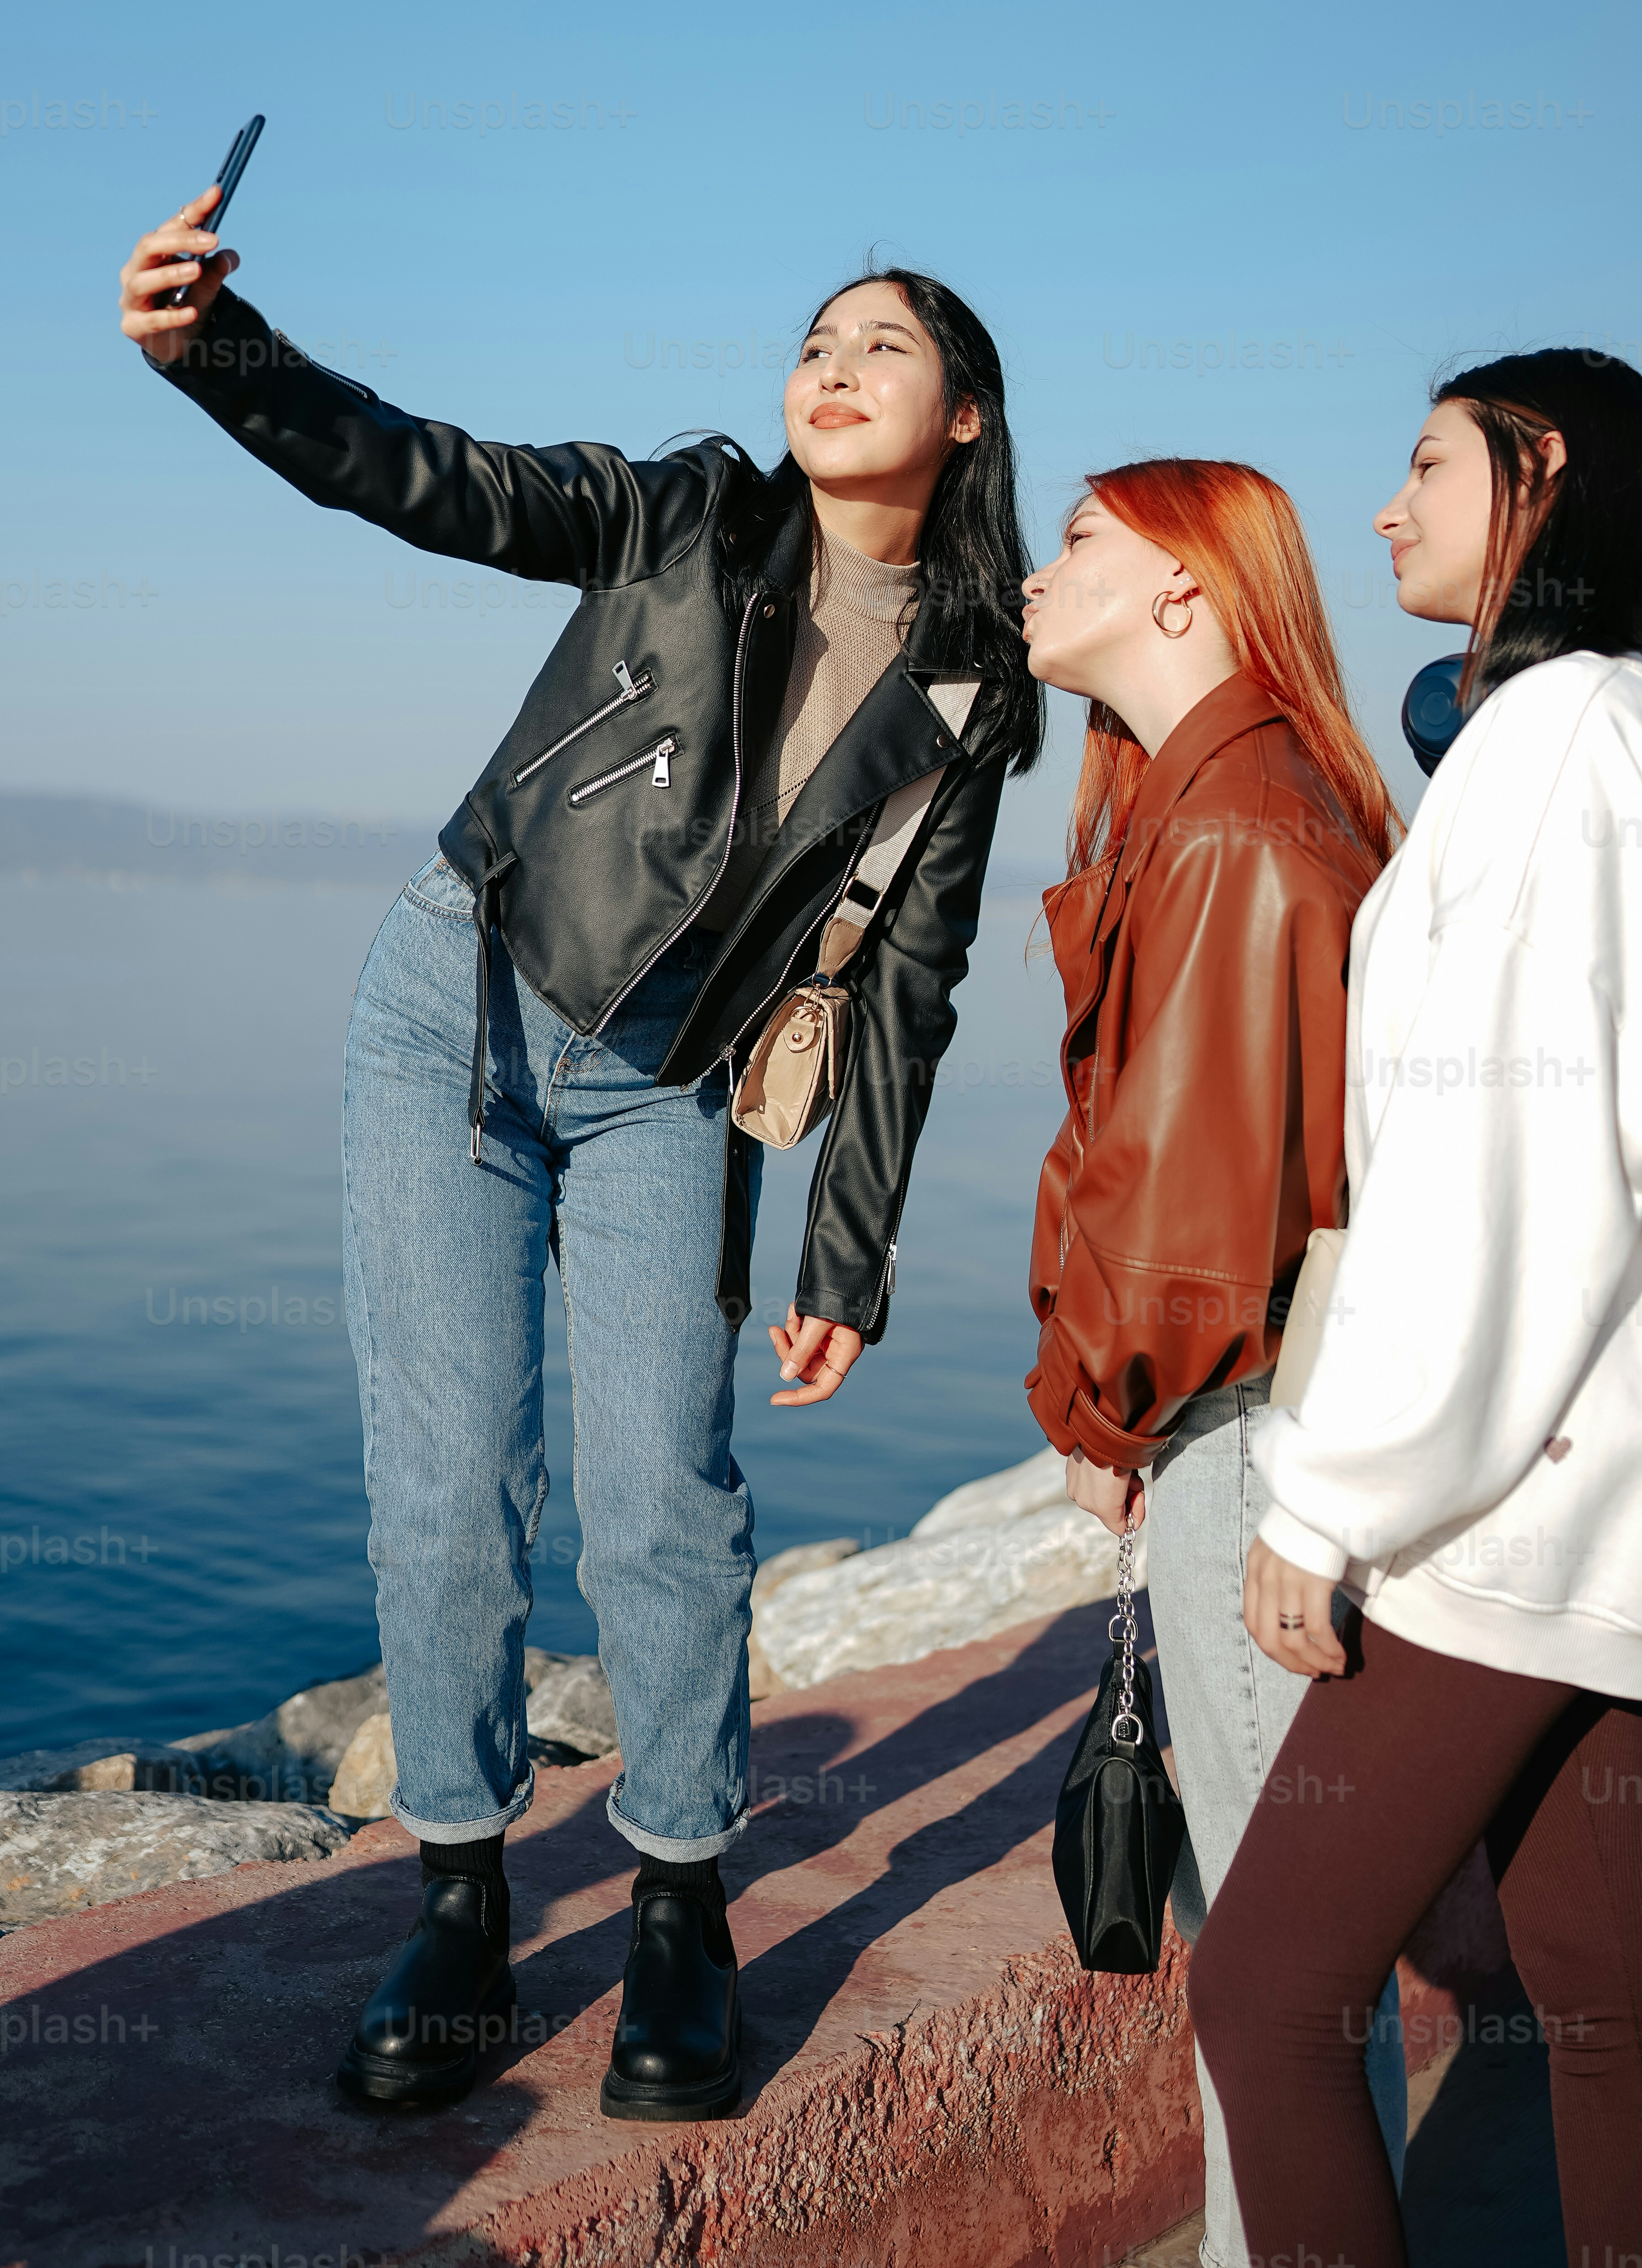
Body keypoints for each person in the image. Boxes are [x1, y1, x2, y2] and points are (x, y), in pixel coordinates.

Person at [118, 195, 1041, 2116]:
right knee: (451, 1483)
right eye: (815, 337)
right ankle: (458, 1897)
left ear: (966, 414)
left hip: (668, 1084)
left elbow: (916, 983)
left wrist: (845, 1261)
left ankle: (680, 1913)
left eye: (883, 343)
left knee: (663, 1505)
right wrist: (221, 352)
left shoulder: (970, 685)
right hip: (454, 1012)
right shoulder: (686, 514)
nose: (833, 364)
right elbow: (427, 478)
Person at [1194, 351, 1642, 2268]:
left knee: (1265, 1995)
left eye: (1425, 464)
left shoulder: (1549, 745)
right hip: (1633, 1450)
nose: (1385, 505)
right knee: (1596, 1976)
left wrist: (1334, 1495)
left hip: (1518, 1469)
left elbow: (1513, 1170)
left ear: (1539, 476)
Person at [1019, 457, 1408, 2267]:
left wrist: (1099, 1406)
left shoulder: (1233, 828)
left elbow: (1193, 1207)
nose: (1042, 566)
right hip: (1262, 1407)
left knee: (1267, 1966)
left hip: (1244, 1422)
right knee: (1294, 1953)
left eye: (1083, 538)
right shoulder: (1226, 801)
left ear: (1186, 590)